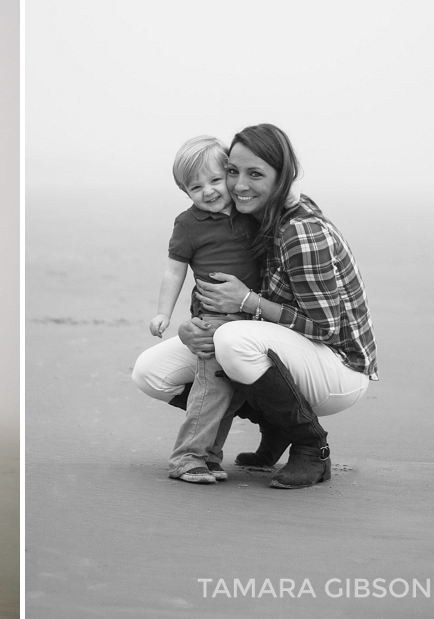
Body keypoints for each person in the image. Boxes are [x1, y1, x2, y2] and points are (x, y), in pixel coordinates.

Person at [140, 123, 378, 489]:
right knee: (151, 371)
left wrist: (245, 303)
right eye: (233, 172)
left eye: (255, 174)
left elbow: (325, 328)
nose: (238, 185)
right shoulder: (246, 215)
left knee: (234, 341)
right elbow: (206, 270)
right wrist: (194, 325)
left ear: (282, 178)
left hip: (337, 365)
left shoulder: (301, 232)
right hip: (273, 339)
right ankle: (274, 423)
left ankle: (311, 447)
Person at [134, 135, 261, 484]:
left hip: (253, 315)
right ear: (184, 190)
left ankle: (210, 456)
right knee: (212, 389)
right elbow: (174, 270)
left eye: (216, 180)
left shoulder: (250, 213)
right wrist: (164, 313)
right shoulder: (188, 225)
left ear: (230, 176)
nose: (208, 191)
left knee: (233, 394)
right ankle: (186, 458)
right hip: (214, 320)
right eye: (196, 186)